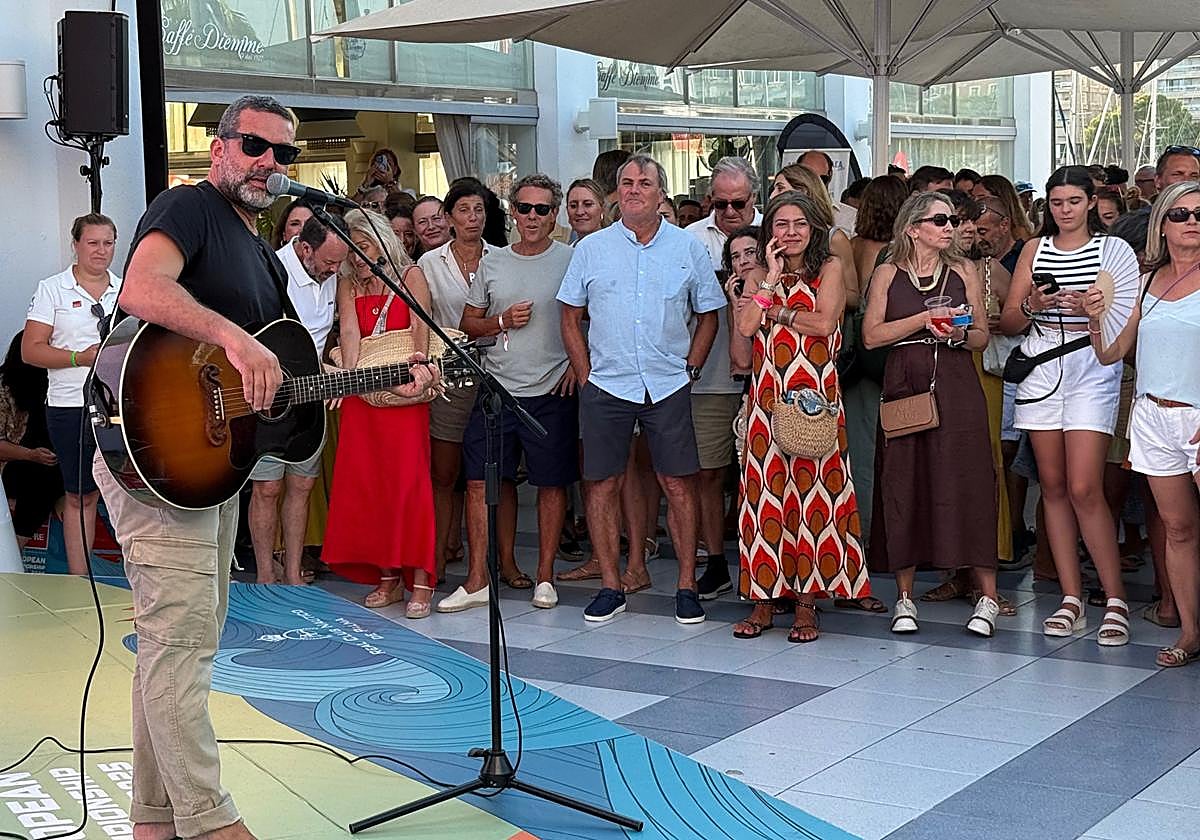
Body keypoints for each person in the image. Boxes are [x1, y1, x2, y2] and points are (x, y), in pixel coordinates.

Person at [95, 94, 423, 840]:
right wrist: (235, 344)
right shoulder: (188, 208)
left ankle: (154, 820)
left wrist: (377, 375)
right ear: (219, 148)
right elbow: (142, 291)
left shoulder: (257, 247)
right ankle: (211, 822)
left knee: (183, 648)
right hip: (154, 454)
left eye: (284, 154)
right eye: (254, 145)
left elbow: (289, 372)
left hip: (212, 468)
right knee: (177, 645)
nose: (269, 163)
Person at [558, 153, 725, 624]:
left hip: (668, 381)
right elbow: (569, 314)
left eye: (643, 183)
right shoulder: (592, 248)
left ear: (660, 195)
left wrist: (691, 366)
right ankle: (611, 585)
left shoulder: (686, 248)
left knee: (678, 483)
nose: (633, 189)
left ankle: (687, 587)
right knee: (601, 484)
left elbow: (709, 314)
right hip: (607, 383)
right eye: (626, 182)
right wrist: (585, 372)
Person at [999, 165, 1141, 645]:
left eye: (1073, 202)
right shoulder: (1035, 250)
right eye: (1056, 202)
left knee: (1084, 486)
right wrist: (1037, 304)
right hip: (1043, 367)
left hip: (1093, 366)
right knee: (1054, 486)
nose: (1064, 210)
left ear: (1089, 203)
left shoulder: (1113, 249)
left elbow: (1125, 318)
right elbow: (1012, 319)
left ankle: (1115, 597)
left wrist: (1091, 311)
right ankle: (1072, 596)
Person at [731, 192, 870, 642]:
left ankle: (807, 605)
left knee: (813, 500)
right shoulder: (757, 273)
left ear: (814, 228)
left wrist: (779, 311)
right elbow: (747, 327)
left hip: (813, 398)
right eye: (781, 223)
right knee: (763, 498)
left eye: (800, 224)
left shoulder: (828, 267)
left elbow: (825, 323)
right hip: (766, 399)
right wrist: (769, 280)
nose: (790, 232)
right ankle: (763, 600)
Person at [862, 192, 998, 636]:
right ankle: (904, 597)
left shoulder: (964, 270)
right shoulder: (887, 271)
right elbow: (871, 336)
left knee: (972, 480)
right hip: (905, 383)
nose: (949, 226)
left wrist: (957, 333)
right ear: (912, 227)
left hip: (957, 382)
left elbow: (981, 336)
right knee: (904, 480)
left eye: (953, 219)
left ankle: (988, 596)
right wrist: (923, 321)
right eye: (940, 219)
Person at [441, 174, 579, 612]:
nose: (532, 217)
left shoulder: (572, 258)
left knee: (551, 484)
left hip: (551, 390)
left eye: (542, 209)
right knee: (480, 481)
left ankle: (545, 577)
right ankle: (478, 579)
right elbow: (469, 322)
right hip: (496, 389)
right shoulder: (493, 261)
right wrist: (501, 322)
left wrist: (580, 364)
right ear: (513, 212)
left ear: (554, 215)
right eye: (524, 208)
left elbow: (591, 317)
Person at [1084, 181, 1200, 666]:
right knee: (1176, 528)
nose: (1192, 221)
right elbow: (1113, 353)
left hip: (1196, 415)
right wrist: (1094, 319)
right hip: (1152, 414)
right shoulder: (1149, 280)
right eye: (1181, 214)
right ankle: (1191, 632)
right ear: (1162, 226)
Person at [324, 208, 439, 615]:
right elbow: (350, 337)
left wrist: (418, 377)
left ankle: (422, 579)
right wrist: (351, 382)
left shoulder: (411, 277)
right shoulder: (347, 285)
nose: (358, 258)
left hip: (406, 397)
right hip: (364, 401)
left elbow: (421, 336)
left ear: (384, 241)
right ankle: (387, 578)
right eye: (353, 250)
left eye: (365, 246)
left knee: (410, 487)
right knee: (371, 489)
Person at [249, 215, 348, 586]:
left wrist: (338, 367)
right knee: (268, 487)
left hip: (313, 395)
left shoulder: (332, 272)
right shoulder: (272, 271)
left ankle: (292, 572)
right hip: (271, 395)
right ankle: (263, 574)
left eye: (339, 263)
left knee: (303, 485)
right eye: (328, 263)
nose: (335, 270)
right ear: (305, 248)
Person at [23, 212, 121, 576]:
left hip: (119, 406)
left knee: (125, 494)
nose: (101, 251)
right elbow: (30, 350)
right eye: (92, 243)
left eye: (107, 243)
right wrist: (81, 357)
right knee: (81, 495)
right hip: (71, 406)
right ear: (76, 244)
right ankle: (80, 580)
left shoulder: (126, 289)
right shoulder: (52, 288)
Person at [684, 157, 764, 600]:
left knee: (767, 476)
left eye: (739, 203)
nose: (730, 211)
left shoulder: (774, 234)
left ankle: (769, 564)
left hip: (769, 375)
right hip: (711, 377)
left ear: (754, 198)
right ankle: (716, 562)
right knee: (708, 474)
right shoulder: (689, 240)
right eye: (721, 203)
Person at [419, 181, 492, 585]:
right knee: (444, 475)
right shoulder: (429, 265)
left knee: (486, 476)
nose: (472, 218)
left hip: (493, 373)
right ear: (449, 218)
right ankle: (437, 560)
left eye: (478, 210)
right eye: (463, 210)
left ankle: (494, 563)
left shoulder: (500, 259)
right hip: (447, 374)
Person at [846, 175, 909, 540]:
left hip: (855, 359)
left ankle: (864, 533)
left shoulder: (851, 245)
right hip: (890, 354)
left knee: (861, 451)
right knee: (896, 450)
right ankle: (890, 535)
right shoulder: (899, 253)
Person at [0, 331, 61, 552]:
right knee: (41, 478)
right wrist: (31, 454)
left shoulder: (56, 387)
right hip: (15, 464)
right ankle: (13, 549)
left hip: (47, 462)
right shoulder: (3, 388)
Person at [796, 150, 857, 235]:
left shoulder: (851, 217)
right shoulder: (785, 213)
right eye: (809, 178)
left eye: (822, 179)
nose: (816, 185)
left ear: (830, 175)